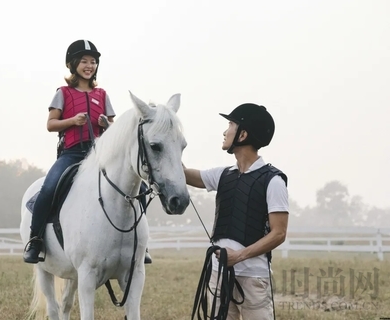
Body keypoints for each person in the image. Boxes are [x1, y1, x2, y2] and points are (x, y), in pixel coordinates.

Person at [23, 39, 152, 264]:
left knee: (140, 187)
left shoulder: (102, 95)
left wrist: (106, 124)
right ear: (73, 64)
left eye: (93, 62)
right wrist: (72, 120)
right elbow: (50, 124)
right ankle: (35, 241)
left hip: (100, 155)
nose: (89, 66)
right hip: (72, 153)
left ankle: (141, 243)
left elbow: (115, 130)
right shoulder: (62, 93)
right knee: (49, 188)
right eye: (84, 61)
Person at [184, 103, 289, 319]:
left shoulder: (273, 181)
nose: (225, 131)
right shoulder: (223, 174)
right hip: (218, 274)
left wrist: (238, 256)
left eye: (230, 125)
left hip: (254, 278)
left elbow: (279, 233)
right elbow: (183, 174)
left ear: (243, 134)